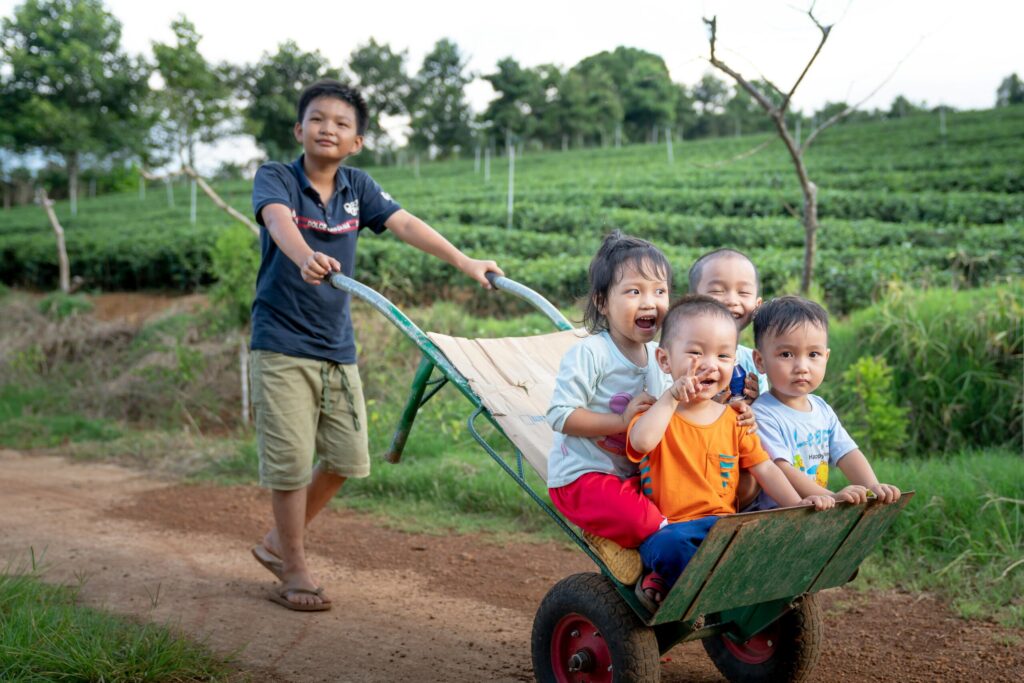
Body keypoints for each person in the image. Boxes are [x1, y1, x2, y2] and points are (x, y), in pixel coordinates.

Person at [248, 79, 502, 611]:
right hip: (281, 342)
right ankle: (293, 565)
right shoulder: (277, 177)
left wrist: (465, 262)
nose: (328, 129)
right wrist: (303, 257)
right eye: (318, 119)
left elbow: (404, 223)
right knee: (292, 462)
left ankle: (276, 542)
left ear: (356, 142)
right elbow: (277, 221)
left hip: (336, 345)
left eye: (341, 124)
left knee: (346, 458)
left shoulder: (356, 187)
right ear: (299, 130)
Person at [626, 295, 833, 611]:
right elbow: (640, 443)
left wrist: (797, 505)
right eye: (696, 353)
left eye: (724, 355)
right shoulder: (656, 415)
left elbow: (765, 469)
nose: (710, 364)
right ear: (665, 360)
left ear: (735, 362)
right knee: (672, 547)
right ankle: (688, 590)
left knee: (760, 537)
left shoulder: (735, 419)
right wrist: (669, 398)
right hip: (672, 529)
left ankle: (710, 589)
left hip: (724, 528)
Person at [750, 296, 902, 509]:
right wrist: (832, 496)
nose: (802, 366)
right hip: (777, 513)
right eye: (786, 354)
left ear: (826, 357)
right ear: (760, 361)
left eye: (813, 354)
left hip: (817, 508)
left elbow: (847, 452)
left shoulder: (821, 408)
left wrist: (872, 486)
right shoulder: (762, 414)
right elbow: (781, 468)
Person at [688, 247, 768, 508]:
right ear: (693, 300)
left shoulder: (753, 363)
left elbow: (761, 426)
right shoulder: (685, 358)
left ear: (757, 305)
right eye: (718, 290)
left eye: (743, 292)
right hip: (692, 460)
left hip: (736, 460)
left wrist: (754, 407)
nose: (731, 300)